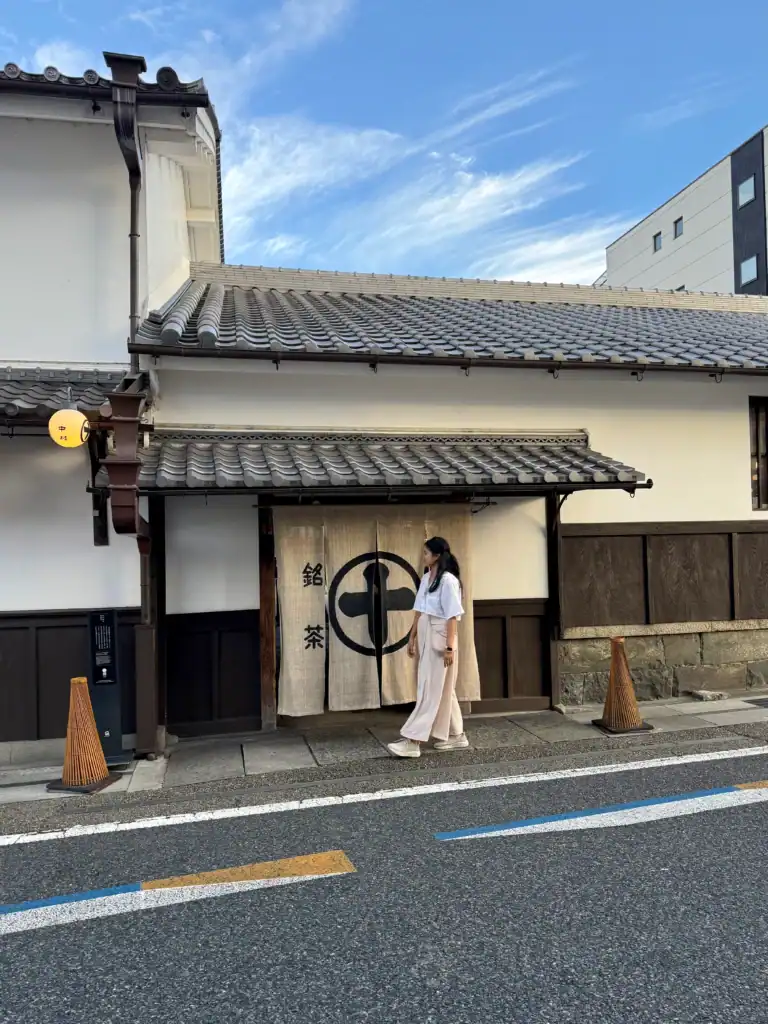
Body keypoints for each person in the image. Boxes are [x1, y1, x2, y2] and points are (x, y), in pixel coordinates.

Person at [387, 536, 469, 758]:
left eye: (425, 553)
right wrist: (412, 636)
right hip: (426, 633)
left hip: (441, 639)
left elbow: (453, 615)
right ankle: (456, 734)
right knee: (442, 688)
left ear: (437, 556)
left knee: (430, 690)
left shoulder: (448, 581)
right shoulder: (426, 578)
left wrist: (450, 647)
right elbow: (419, 609)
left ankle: (413, 740)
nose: (422, 556)